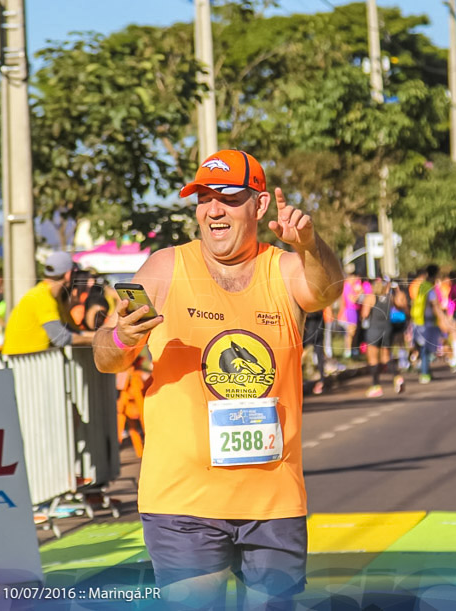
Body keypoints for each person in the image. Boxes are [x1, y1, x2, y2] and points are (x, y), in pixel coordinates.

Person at [92, 149, 344, 609]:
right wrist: (120, 336)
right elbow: (106, 358)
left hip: (273, 500)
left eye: (227, 198)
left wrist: (308, 244)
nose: (213, 210)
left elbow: (326, 290)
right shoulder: (165, 267)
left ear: (259, 205)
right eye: (203, 198)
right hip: (182, 499)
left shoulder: (284, 268)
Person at [2, 251, 90, 355]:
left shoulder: (46, 295)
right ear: (68, 274)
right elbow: (61, 338)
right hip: (23, 367)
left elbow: (71, 331)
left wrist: (100, 336)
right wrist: (96, 341)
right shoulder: (43, 297)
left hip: (26, 365)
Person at [411, 264, 446, 384]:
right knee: (426, 347)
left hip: (418, 319)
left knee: (425, 346)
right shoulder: (430, 287)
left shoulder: (421, 286)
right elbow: (434, 304)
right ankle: (424, 372)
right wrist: (442, 318)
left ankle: (426, 371)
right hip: (427, 320)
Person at [361, 277, 394, 398]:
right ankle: (397, 377)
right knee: (386, 357)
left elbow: (364, 314)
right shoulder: (389, 298)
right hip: (387, 329)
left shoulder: (371, 297)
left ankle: (376, 385)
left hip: (374, 330)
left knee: (373, 358)